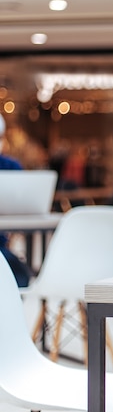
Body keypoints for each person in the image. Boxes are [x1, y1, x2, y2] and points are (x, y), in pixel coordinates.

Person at [0, 114, 35, 287]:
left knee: (21, 276)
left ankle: (10, 313)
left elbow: (23, 197)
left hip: (2, 243)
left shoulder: (10, 166)